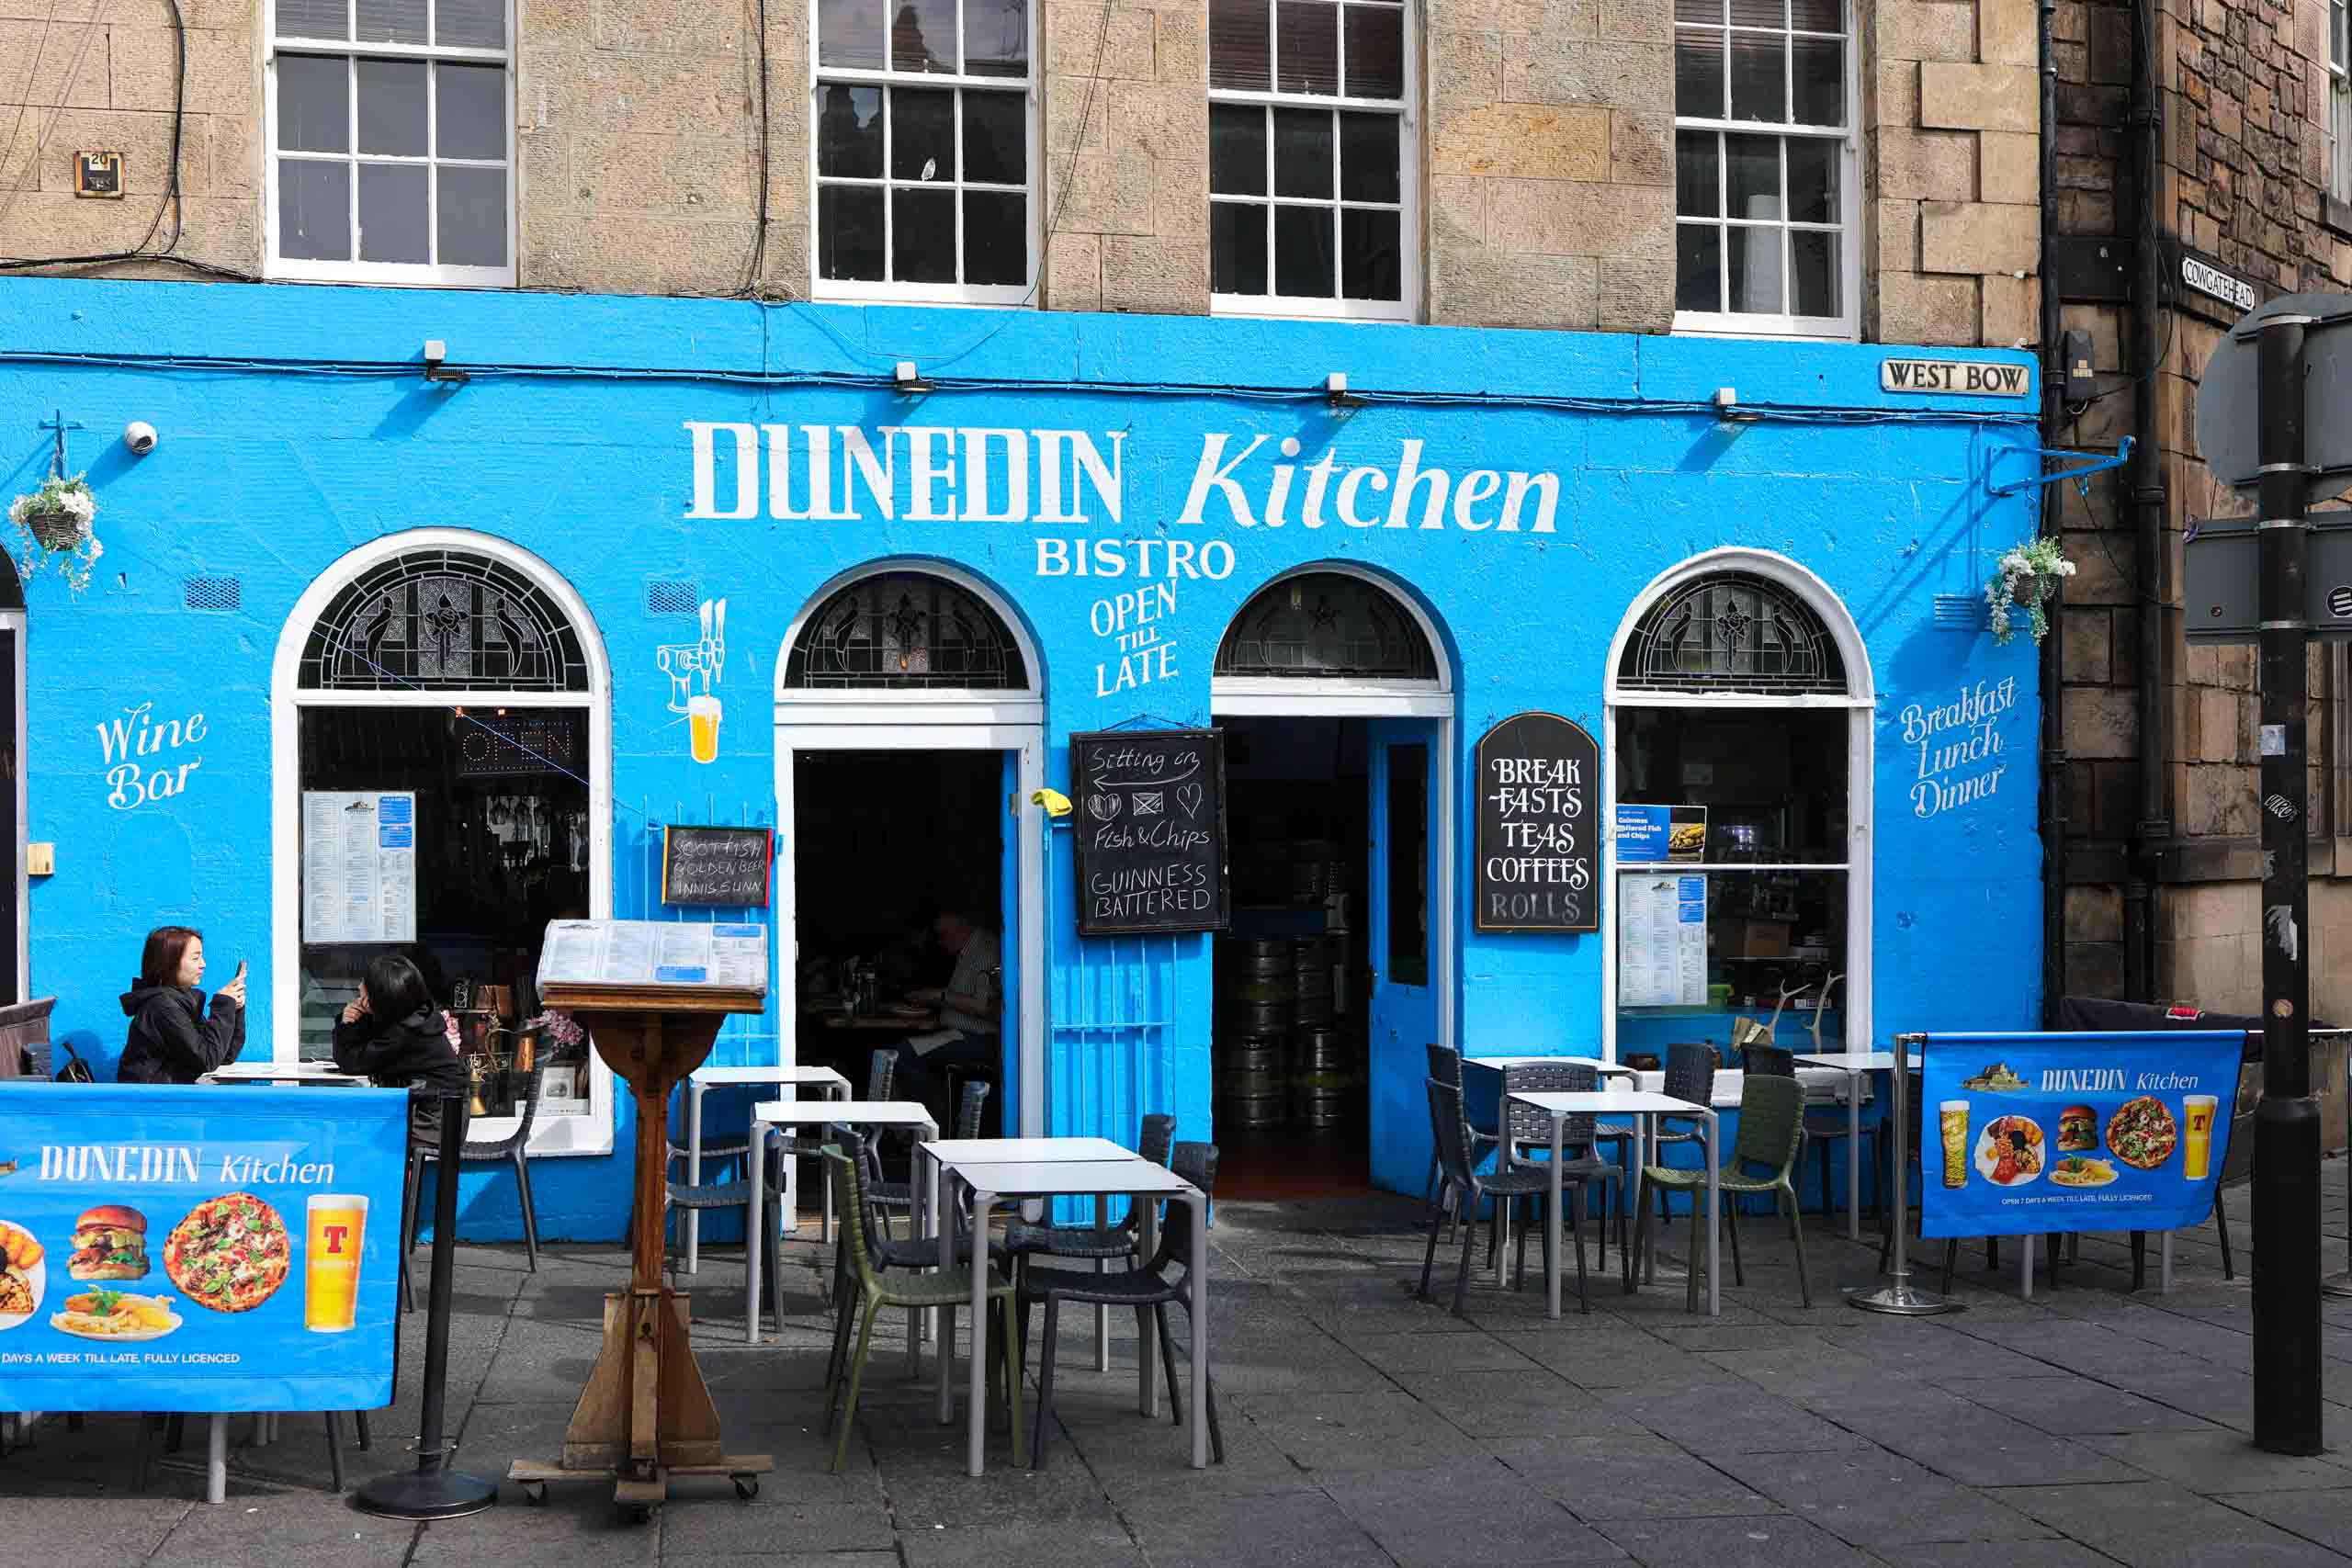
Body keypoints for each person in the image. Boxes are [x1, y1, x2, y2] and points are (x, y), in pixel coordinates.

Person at [332, 953, 468, 1142]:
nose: (359, 987)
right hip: (435, 1115)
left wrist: (347, 1024)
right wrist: (357, 1018)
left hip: (433, 1123)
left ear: (380, 998)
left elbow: (351, 1062)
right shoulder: (413, 1018)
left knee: (350, 1138)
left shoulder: (405, 1034)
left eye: (366, 987)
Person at [891, 907, 1001, 1117]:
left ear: (961, 929)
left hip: (979, 1038)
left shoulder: (986, 951)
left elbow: (987, 1007)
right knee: (906, 1048)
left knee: (905, 1052)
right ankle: (924, 1116)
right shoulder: (969, 950)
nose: (940, 942)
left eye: (943, 935)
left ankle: (931, 1121)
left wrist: (940, 995)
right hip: (959, 1034)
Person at [118, 926, 246, 1084]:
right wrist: (223, 1006)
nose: (203, 964)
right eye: (195, 958)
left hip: (170, 1094)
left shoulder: (180, 1002)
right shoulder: (162, 1007)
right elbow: (207, 1059)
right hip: (155, 1098)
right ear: (169, 963)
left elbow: (224, 1055)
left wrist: (234, 1009)